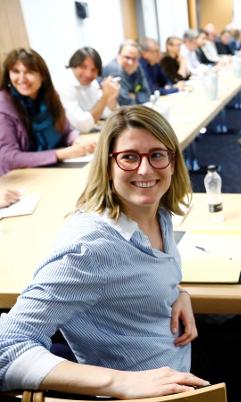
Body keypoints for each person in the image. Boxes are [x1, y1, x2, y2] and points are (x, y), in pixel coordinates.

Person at [0, 105, 209, 397]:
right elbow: (6, 346)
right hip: (156, 394)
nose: (146, 170)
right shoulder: (91, 249)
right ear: (107, 166)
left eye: (157, 155)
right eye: (129, 157)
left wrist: (178, 292)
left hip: (175, 357)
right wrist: (120, 382)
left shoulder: (155, 210)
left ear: (173, 162)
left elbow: (135, 277)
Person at [0, 48, 95, 176]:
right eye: (15, 72)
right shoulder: (4, 104)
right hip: (20, 179)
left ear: (43, 75)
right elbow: (7, 158)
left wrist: (76, 141)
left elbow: (66, 131)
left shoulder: (50, 97)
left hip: (52, 171)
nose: (22, 78)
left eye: (29, 72)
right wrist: (61, 154)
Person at [58, 47, 119, 133]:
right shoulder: (63, 84)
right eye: (83, 67)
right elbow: (82, 125)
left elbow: (108, 114)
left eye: (93, 70)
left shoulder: (92, 83)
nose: (88, 74)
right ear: (73, 65)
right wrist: (105, 97)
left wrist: (111, 97)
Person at [102, 41, 151, 106]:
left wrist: (134, 96)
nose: (130, 62)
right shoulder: (114, 69)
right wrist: (137, 96)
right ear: (118, 56)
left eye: (134, 59)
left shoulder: (137, 67)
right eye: (127, 57)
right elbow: (125, 103)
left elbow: (147, 94)